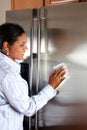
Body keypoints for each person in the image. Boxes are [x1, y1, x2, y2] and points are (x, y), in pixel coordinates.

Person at [0, 23, 66, 130]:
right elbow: (28, 108)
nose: (26, 48)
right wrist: (51, 87)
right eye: (22, 44)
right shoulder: (8, 74)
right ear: (6, 46)